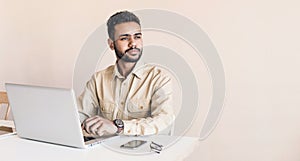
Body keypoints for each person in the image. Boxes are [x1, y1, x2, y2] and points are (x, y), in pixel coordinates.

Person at [78, 11, 174, 136]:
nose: (133, 43)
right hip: (105, 153)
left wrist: (118, 126)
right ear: (111, 44)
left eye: (137, 37)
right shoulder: (98, 80)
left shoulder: (159, 79)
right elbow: (78, 117)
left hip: (146, 153)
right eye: (124, 38)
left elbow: (163, 121)